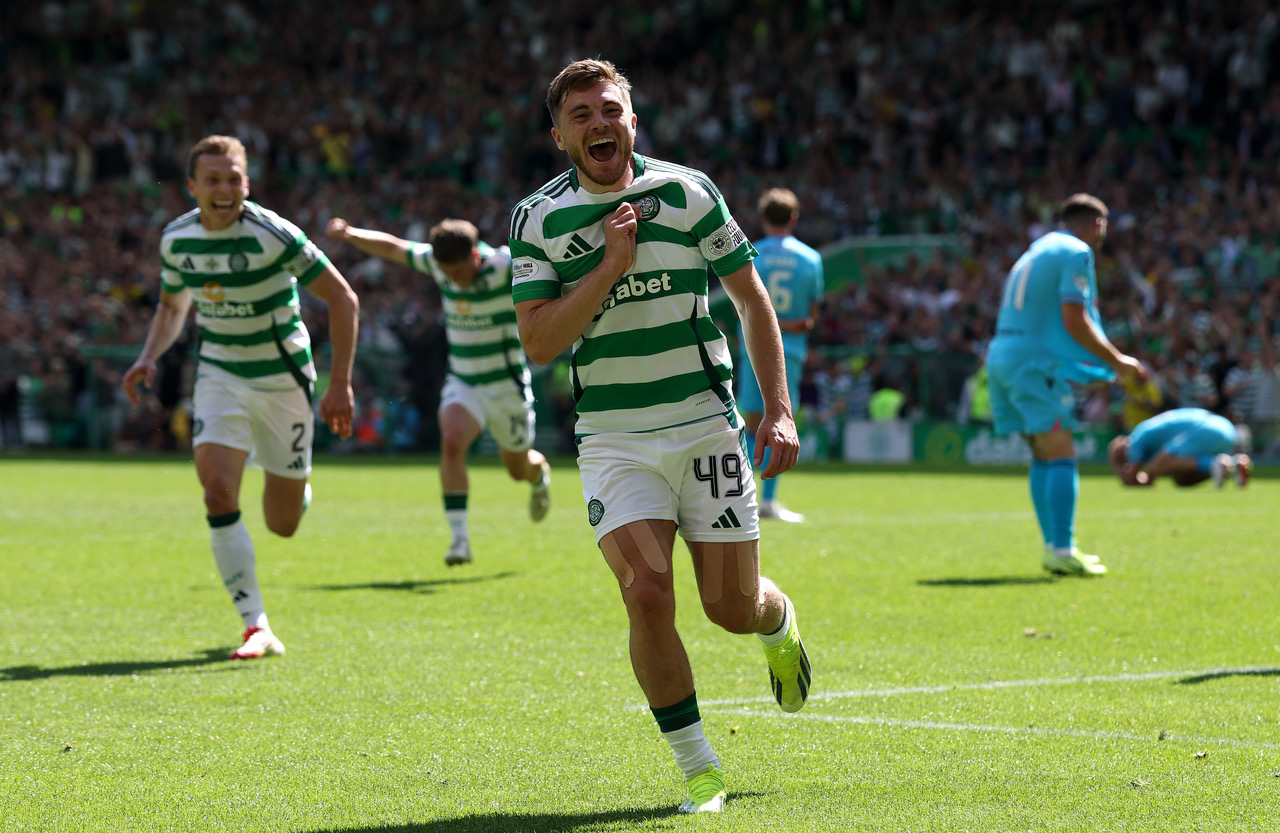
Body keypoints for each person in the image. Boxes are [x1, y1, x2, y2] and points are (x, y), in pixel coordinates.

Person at [508, 58, 809, 815]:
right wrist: (610, 265)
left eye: (610, 109)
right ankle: (700, 769)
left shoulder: (688, 192)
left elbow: (751, 300)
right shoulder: (537, 219)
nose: (598, 123)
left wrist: (776, 405)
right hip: (615, 438)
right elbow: (540, 342)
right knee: (646, 593)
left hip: (706, 428)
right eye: (580, 115)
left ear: (632, 120)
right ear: (559, 136)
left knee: (731, 609)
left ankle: (779, 623)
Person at [122, 135, 359, 660]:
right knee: (216, 493)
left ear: (246, 184)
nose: (224, 189)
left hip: (283, 381)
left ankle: (296, 486)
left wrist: (339, 382)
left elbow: (343, 298)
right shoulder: (177, 239)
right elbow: (170, 306)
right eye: (213, 180)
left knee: (283, 523)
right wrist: (148, 356)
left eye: (233, 179)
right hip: (221, 375)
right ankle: (256, 625)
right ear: (192, 187)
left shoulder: (274, 234)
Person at [325, 217, 552, 566]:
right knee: (451, 441)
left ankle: (539, 476)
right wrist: (351, 234)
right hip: (464, 381)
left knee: (518, 469)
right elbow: (394, 247)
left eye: (462, 271)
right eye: (450, 274)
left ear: (476, 253)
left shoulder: (507, 267)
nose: (457, 280)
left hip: (506, 386)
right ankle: (459, 540)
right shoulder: (437, 262)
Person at [985, 193, 1146, 577]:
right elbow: (1074, 319)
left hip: (1002, 354)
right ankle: (1062, 547)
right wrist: (1116, 360)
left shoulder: (1035, 251)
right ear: (1096, 224)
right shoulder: (1077, 252)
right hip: (1031, 362)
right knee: (1061, 452)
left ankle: (1052, 548)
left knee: (1044, 454)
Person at [734, 188, 823, 522]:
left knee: (749, 424)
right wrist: (791, 323)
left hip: (753, 346)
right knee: (781, 421)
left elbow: (738, 301)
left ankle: (740, 496)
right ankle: (769, 501)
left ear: (762, 217)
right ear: (795, 218)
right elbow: (810, 316)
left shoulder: (750, 252)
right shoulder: (811, 259)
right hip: (790, 351)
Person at [1107, 407, 1252, 488]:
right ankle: (1233, 464)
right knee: (1181, 479)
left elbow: (1134, 482)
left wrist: (1116, 465)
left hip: (1207, 429)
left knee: (1159, 464)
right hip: (1225, 429)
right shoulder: (1146, 430)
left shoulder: (1135, 439)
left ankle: (1216, 463)